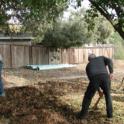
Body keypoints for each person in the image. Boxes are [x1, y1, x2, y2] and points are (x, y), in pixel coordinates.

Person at [78, 53, 113, 119]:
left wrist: (99, 91)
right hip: (105, 77)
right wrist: (111, 72)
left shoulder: (88, 66)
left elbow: (92, 81)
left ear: (89, 60)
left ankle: (82, 115)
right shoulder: (101, 58)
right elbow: (110, 60)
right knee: (108, 95)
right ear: (95, 57)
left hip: (94, 79)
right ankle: (110, 115)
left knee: (88, 97)